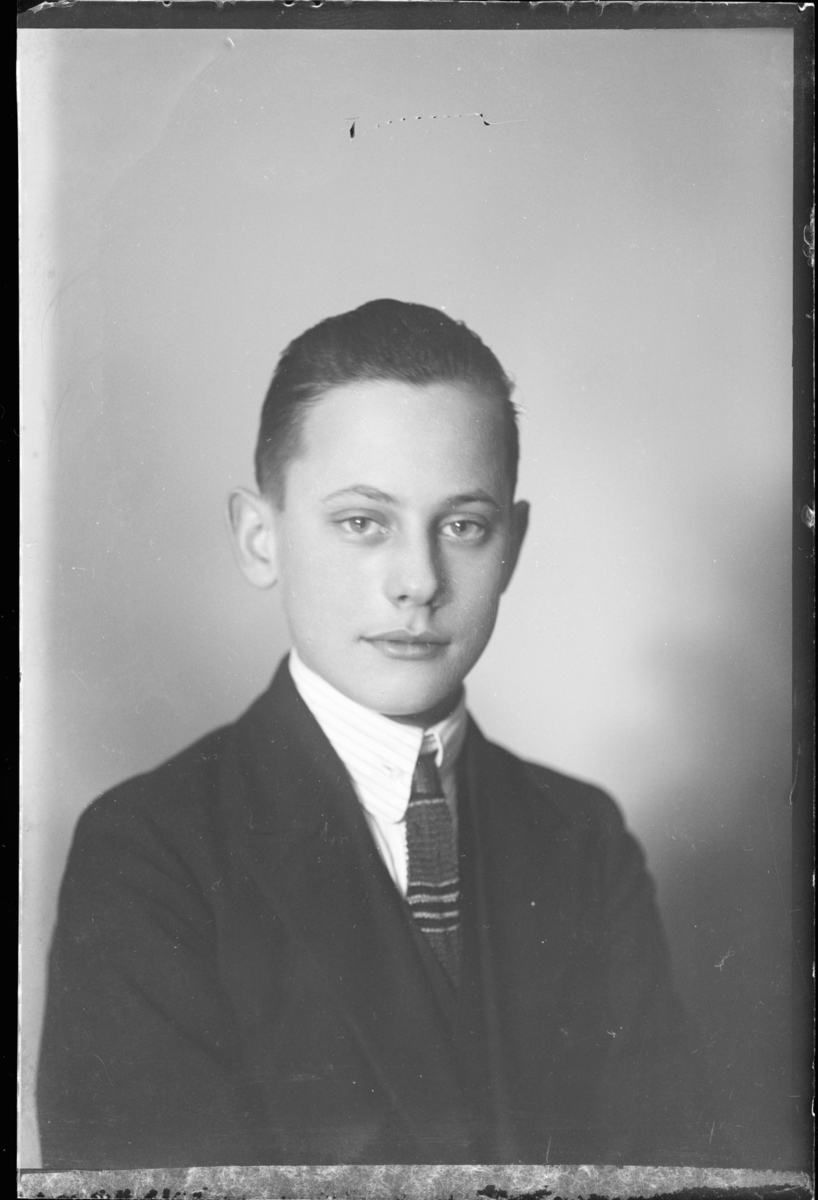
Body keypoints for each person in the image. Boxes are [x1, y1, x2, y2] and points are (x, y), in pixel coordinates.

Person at [37, 299, 720, 1170]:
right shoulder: (151, 852)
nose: (418, 581)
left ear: (511, 548)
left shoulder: (584, 841)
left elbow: (668, 1169)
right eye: (363, 522)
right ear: (260, 539)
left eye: (463, 526)